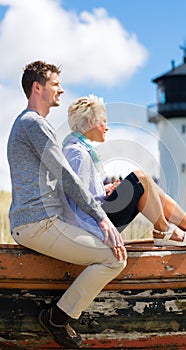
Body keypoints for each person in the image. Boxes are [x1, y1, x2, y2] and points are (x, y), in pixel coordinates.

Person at [7, 61, 127, 349]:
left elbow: (60, 180)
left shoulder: (30, 124)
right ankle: (58, 317)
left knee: (110, 250)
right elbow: (65, 175)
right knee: (115, 258)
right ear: (38, 88)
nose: (60, 89)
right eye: (54, 84)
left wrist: (100, 191)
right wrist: (101, 218)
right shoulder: (34, 124)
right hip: (39, 223)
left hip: (36, 222)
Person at [62, 94, 186, 247]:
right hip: (95, 226)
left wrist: (105, 191)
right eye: (103, 121)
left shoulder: (78, 149)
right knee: (140, 178)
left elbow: (83, 191)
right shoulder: (77, 153)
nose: (107, 127)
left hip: (96, 219)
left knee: (150, 187)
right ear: (91, 122)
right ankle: (164, 231)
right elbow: (78, 200)